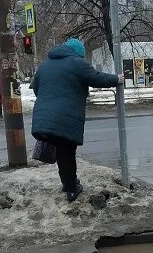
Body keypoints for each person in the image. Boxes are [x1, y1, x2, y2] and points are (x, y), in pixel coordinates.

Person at [31, 38, 122, 202]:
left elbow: (36, 88)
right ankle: (72, 188)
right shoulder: (77, 63)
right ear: (78, 53)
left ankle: (67, 183)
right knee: (67, 152)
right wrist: (117, 79)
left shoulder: (44, 65)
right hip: (65, 117)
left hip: (43, 116)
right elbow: (97, 78)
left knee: (61, 152)